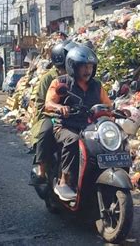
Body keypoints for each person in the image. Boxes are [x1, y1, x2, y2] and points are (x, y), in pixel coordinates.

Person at [45, 45, 112, 201]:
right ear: (73, 67)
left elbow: (108, 104)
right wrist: (60, 107)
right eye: (83, 67)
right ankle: (65, 181)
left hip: (90, 127)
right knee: (73, 140)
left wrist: (115, 111)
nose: (87, 70)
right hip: (65, 126)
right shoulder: (61, 82)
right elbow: (48, 103)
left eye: (90, 66)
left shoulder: (97, 85)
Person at [29, 40, 76, 185]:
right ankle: (42, 171)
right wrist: (55, 109)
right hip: (50, 115)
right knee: (46, 132)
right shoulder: (48, 78)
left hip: (75, 115)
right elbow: (41, 103)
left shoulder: (77, 76)